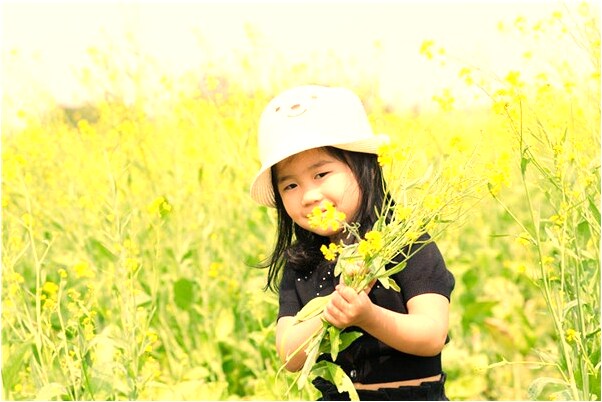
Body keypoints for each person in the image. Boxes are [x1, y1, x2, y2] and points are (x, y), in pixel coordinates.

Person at [249, 85, 455, 401]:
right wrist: (329, 315)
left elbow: (431, 335)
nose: (308, 195)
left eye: (321, 175)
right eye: (290, 185)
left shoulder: (406, 244)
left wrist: (367, 316)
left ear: (365, 168)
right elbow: (290, 356)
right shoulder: (301, 265)